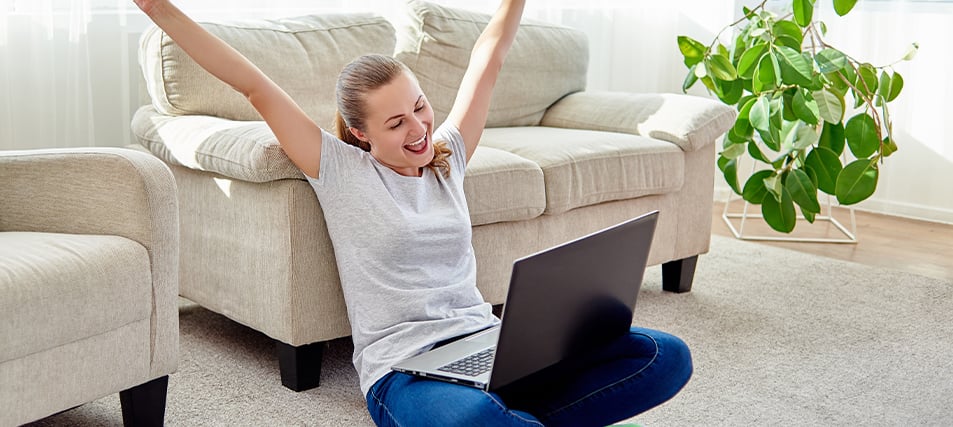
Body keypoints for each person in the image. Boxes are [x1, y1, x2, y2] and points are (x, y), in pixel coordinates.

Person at [133, 1, 693, 425]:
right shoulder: (339, 171)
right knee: (472, 420)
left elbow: (488, 60)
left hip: (489, 348)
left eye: (419, 106)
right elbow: (253, 86)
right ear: (360, 133)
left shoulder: (448, 162)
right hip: (405, 372)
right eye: (396, 123)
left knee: (664, 356)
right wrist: (157, 8)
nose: (419, 128)